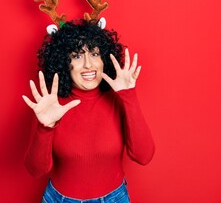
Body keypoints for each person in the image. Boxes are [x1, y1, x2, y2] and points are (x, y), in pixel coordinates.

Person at [22, 19, 155, 203]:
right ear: (63, 62)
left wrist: (129, 96)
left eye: (94, 53)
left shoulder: (118, 99)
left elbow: (144, 156)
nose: (88, 64)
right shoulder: (51, 105)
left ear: (104, 58)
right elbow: (35, 170)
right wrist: (45, 128)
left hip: (114, 199)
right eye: (77, 56)